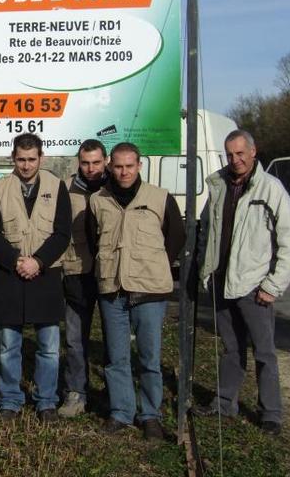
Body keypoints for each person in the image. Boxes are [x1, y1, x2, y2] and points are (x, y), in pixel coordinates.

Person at [195, 130, 290, 435]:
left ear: (253, 153)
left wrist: (272, 286)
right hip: (221, 282)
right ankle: (224, 402)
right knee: (231, 348)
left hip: (254, 286)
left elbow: (289, 243)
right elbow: (205, 232)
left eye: (240, 153)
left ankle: (271, 414)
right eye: (229, 154)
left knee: (264, 353)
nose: (235, 160)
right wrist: (205, 270)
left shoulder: (270, 188)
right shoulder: (218, 185)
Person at [88, 142, 185, 441]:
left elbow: (176, 238)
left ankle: (150, 415)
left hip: (150, 292)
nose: (124, 171)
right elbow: (94, 242)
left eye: (130, 165)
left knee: (148, 358)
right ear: (109, 166)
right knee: (116, 358)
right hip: (112, 291)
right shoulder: (97, 201)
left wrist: (153, 265)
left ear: (139, 165)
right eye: (118, 166)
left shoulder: (160, 198)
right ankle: (121, 412)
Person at [0, 133, 72, 422]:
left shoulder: (57, 188)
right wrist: (15, 260)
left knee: (48, 345)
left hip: (45, 277)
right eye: (21, 159)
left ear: (41, 158)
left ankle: (46, 401)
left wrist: (39, 262)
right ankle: (10, 400)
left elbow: (62, 233)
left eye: (32, 159)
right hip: (10, 275)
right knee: (9, 346)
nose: (26, 165)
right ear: (13, 158)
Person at [59, 140, 109, 418]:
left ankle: (114, 394)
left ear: (106, 161)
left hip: (112, 275)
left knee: (114, 340)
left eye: (96, 163)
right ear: (79, 162)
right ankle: (76, 392)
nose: (91, 169)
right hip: (76, 272)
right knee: (75, 338)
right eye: (85, 163)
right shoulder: (65, 190)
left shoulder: (117, 188)